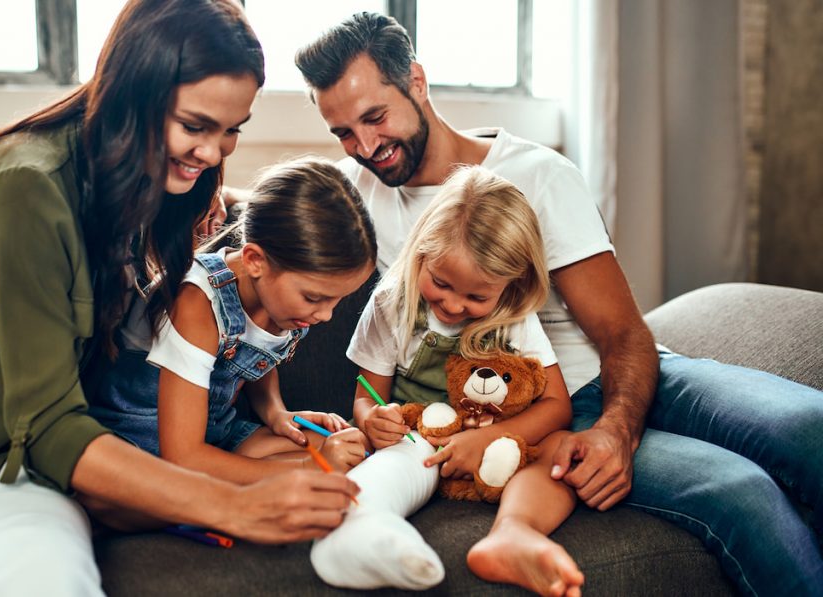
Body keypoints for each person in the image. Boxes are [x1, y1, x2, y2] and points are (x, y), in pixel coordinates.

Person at [0, 2, 360, 595]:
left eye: (231, 131)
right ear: (130, 93)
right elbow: (50, 422)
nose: (215, 152)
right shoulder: (26, 182)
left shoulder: (170, 185)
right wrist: (233, 502)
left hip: (4, 460)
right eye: (195, 126)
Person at [294, 11, 823, 596]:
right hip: (537, 415)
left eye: (375, 117)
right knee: (739, 491)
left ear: (416, 82)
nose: (366, 146)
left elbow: (622, 331)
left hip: (631, 374)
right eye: (343, 132)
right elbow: (263, 233)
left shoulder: (536, 174)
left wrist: (618, 432)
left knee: (808, 426)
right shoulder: (349, 196)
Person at [309, 166, 583, 596]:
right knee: (399, 458)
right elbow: (368, 396)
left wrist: (491, 440)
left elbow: (556, 406)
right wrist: (372, 419)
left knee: (562, 449)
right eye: (440, 283)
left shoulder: (513, 316)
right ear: (421, 251)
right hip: (424, 442)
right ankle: (363, 530)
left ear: (512, 285)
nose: (453, 305)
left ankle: (515, 532)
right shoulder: (392, 302)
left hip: (503, 444)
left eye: (477, 297)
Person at [87, 157, 375, 482]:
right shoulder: (195, 302)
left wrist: (276, 412)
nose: (325, 315)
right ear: (255, 261)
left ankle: (233, 478)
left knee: (351, 449)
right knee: (323, 465)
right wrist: (312, 467)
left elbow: (256, 359)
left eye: (337, 300)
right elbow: (182, 456)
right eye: (314, 298)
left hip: (218, 435)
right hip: (144, 446)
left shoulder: (285, 306)